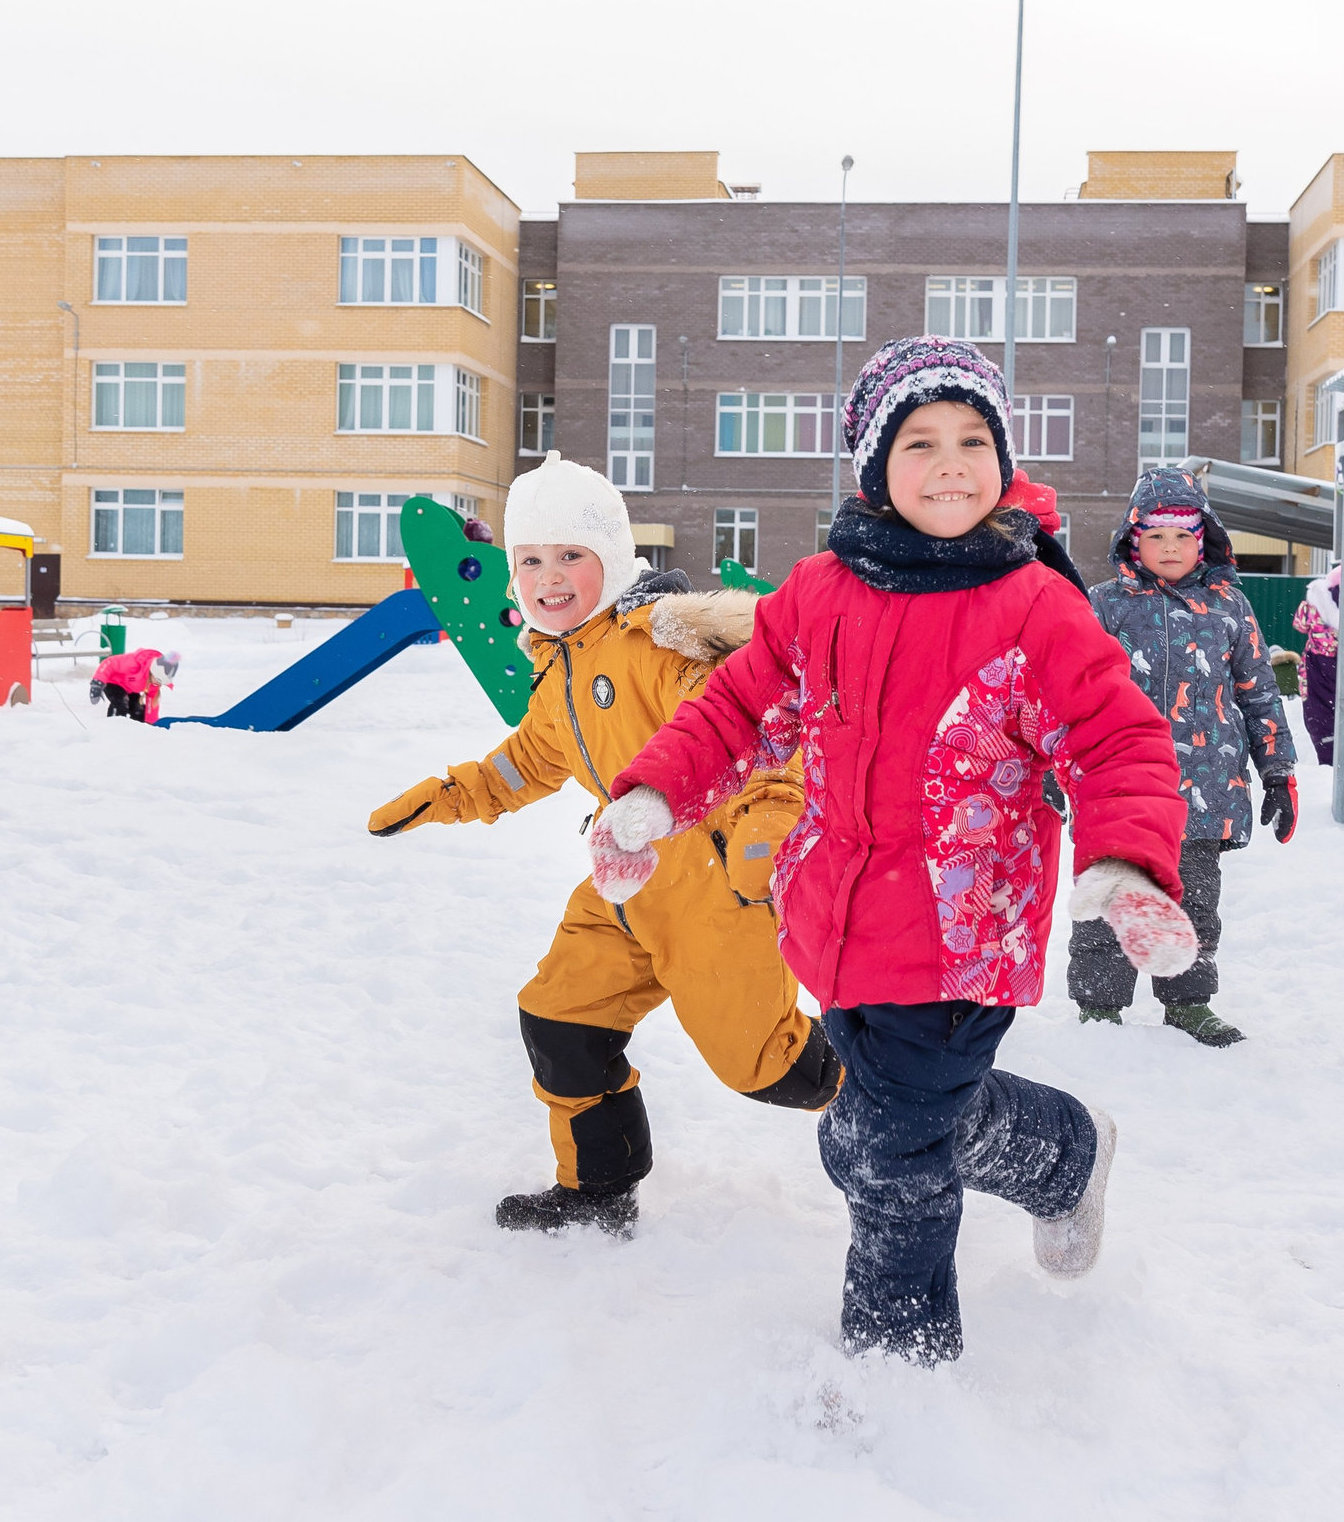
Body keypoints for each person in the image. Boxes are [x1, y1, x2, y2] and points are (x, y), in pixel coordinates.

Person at [590, 336, 1194, 1363]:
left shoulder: (1034, 605)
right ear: (875, 465)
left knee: (883, 1149)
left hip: (963, 937)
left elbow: (1114, 735)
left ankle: (898, 1367)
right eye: (920, 441)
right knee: (882, 1123)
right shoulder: (821, 591)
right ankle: (1062, 1153)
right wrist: (652, 792)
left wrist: (1128, 857)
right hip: (835, 919)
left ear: (1003, 460)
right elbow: (741, 706)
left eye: (973, 438)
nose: (950, 461)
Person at [364, 451, 840, 1237]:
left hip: (717, 886)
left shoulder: (657, 646)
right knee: (559, 1017)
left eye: (570, 556)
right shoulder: (558, 670)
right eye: (531, 560)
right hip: (626, 884)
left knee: (765, 1064)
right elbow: (526, 763)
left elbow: (750, 738)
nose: (550, 576)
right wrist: (449, 795)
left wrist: (764, 832)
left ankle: (907, 1104)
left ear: (612, 559)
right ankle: (598, 1186)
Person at [1067, 466, 1296, 1046]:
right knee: (1111, 892)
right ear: (1133, 540)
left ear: (1203, 540)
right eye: (1156, 537)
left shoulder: (1229, 607)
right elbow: (1069, 689)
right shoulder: (1104, 605)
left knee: (1195, 899)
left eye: (1182, 537)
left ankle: (1188, 1002)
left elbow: (1258, 691)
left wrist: (1277, 772)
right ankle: (1099, 1005)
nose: (1169, 548)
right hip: (1117, 785)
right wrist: (1051, 765)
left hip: (1206, 786)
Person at [1291, 565, 1341, 764]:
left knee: (1317, 712)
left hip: (1314, 670)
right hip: (1339, 666)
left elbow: (1299, 624)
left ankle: (1327, 753)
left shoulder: (1311, 606)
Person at [89, 647, 177, 721]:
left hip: (129, 689)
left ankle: (134, 734)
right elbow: (109, 663)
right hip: (112, 682)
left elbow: (151, 705)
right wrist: (97, 683)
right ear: (153, 671)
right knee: (121, 705)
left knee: (138, 711)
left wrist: (151, 724)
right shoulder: (134, 663)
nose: (158, 684)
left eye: (161, 682)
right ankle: (112, 728)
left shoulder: (154, 684)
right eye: (158, 679)